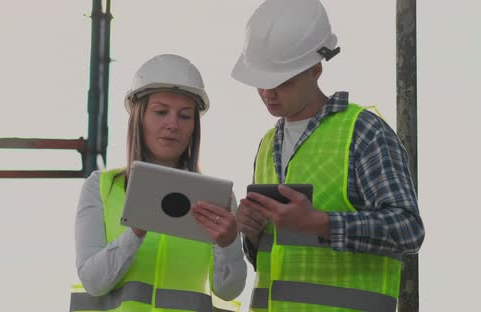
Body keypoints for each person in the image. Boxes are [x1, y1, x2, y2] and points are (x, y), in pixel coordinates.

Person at [231, 0, 425, 311]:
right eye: (261, 82)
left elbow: (408, 229)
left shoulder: (363, 132)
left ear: (316, 69)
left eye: (282, 81)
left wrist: (321, 223)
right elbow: (272, 260)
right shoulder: (267, 145)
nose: (269, 93)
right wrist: (252, 235)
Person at [70, 54, 246, 312]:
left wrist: (229, 243)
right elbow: (93, 282)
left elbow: (228, 290)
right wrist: (137, 231)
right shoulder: (101, 187)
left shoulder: (217, 198)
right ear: (139, 117)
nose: (173, 124)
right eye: (161, 112)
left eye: (185, 116)